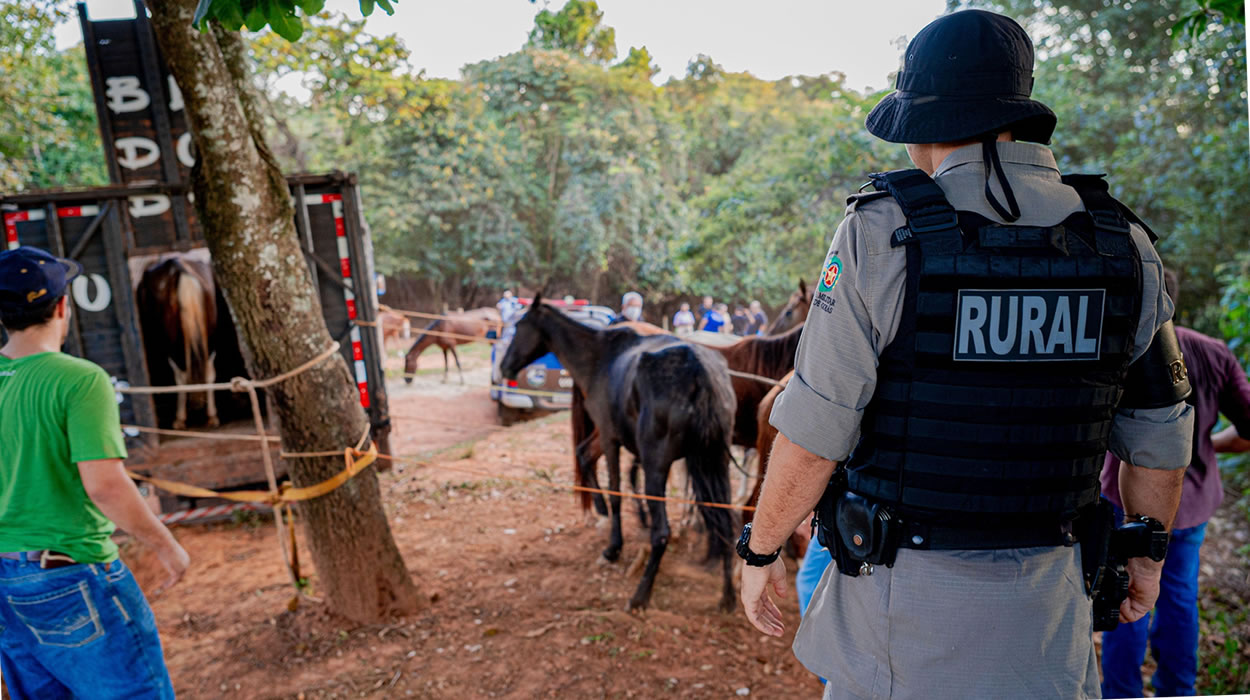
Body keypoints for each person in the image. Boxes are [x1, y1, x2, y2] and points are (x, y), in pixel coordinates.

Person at [735, 11, 1194, 699]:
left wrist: (760, 548)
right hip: (1052, 612)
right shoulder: (1122, 242)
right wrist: (1148, 554)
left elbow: (813, 435)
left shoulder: (879, 232)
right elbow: (1160, 440)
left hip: (902, 618)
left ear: (922, 119)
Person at [0, 246, 188, 699]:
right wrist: (166, 546)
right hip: (70, 574)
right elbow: (104, 486)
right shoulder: (80, 380)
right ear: (63, 306)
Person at [1099, 269, 1250, 698]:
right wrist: (1207, 446)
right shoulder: (1212, 352)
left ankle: (1122, 692)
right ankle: (1177, 691)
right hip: (1191, 501)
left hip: (1128, 495)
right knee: (1178, 594)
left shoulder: (1119, 347)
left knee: (1127, 595)